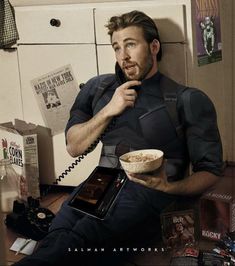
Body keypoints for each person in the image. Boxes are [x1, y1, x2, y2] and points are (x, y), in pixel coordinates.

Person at [14, 10, 223, 266]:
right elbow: (74, 146)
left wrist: (169, 187)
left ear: (154, 46)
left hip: (149, 192)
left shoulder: (188, 99)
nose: (123, 56)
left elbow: (211, 171)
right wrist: (109, 109)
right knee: (58, 232)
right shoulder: (98, 89)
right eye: (116, 47)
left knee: (83, 238)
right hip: (100, 183)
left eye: (131, 45)